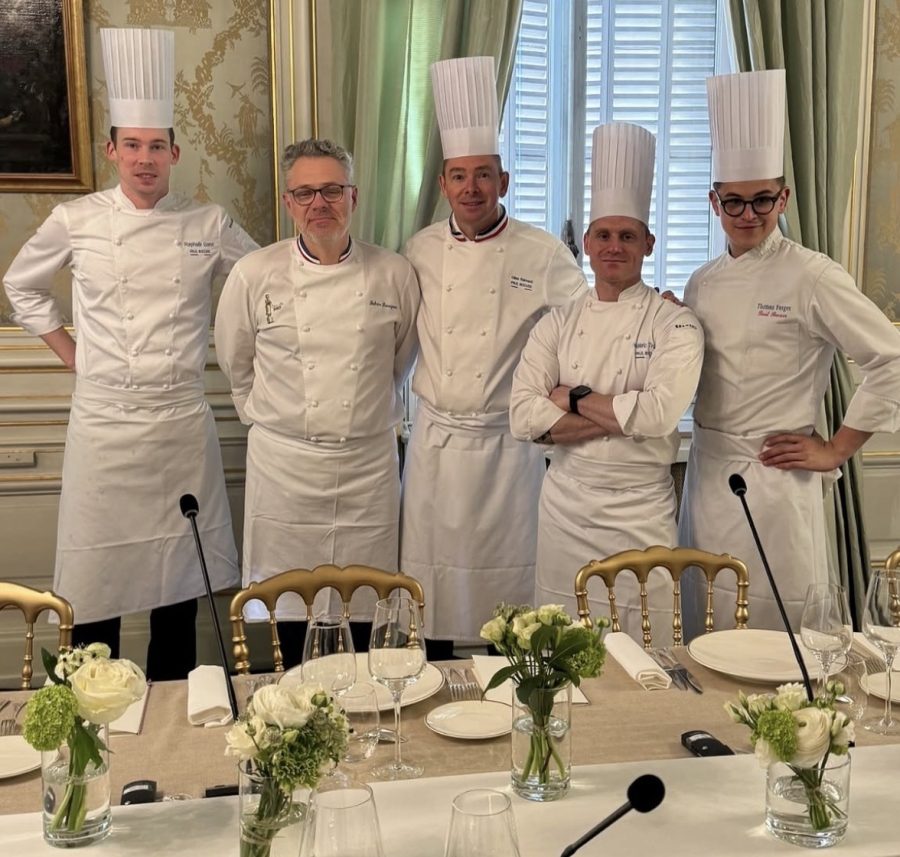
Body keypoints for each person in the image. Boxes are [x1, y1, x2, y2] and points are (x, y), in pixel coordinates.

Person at [2, 29, 258, 680]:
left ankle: (171, 714)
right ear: (112, 150)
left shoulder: (208, 223)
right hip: (104, 428)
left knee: (177, 590)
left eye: (157, 147)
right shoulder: (78, 218)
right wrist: (70, 352)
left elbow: (264, 281)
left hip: (179, 426)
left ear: (175, 152)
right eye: (133, 146)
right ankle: (98, 713)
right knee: (97, 589)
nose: (145, 160)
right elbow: (20, 284)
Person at [678, 70, 900, 633]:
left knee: (778, 635)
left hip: (775, 481)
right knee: (706, 625)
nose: (748, 215)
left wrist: (837, 449)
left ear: (784, 198)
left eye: (762, 200)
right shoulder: (701, 282)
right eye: (734, 202)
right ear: (713, 202)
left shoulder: (812, 275)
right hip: (707, 478)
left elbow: (891, 359)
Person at [401, 57, 587, 656]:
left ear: (503, 181)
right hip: (435, 447)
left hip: (509, 453)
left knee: (510, 608)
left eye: (483, 175)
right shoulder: (418, 250)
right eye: (460, 176)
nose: (472, 188)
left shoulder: (544, 254)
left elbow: (586, 331)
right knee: (430, 602)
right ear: (443, 185)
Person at [215, 138, 420, 664]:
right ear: (288, 202)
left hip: (367, 466)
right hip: (285, 468)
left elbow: (399, 362)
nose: (319, 204)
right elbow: (236, 364)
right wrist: (274, 423)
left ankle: (366, 700)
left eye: (331, 190)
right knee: (285, 599)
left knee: (367, 598)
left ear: (353, 196)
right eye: (305, 193)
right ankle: (293, 702)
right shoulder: (254, 274)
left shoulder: (394, 273)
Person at [509, 123, 704, 639]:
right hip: (565, 509)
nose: (614, 247)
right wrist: (623, 413)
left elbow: (658, 416)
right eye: (603, 235)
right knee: (560, 645)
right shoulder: (557, 322)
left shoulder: (676, 323)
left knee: (645, 646)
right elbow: (523, 418)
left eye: (627, 236)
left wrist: (571, 398)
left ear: (648, 244)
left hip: (641, 513)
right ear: (587, 243)